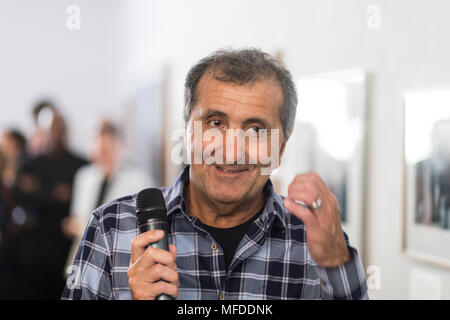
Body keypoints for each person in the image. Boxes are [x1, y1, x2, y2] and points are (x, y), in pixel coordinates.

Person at [62, 48, 368, 300]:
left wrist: (337, 264)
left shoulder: (315, 242)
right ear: (187, 134)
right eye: (216, 122)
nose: (232, 152)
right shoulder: (111, 229)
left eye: (255, 129)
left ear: (280, 149)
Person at [12, 104, 88, 299]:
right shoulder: (30, 164)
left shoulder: (80, 165)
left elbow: (76, 199)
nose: (54, 134)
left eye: (58, 128)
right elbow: (19, 194)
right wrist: (55, 194)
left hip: (66, 251)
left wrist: (39, 190)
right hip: (35, 255)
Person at [61, 119, 154, 274]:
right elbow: (78, 217)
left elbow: (139, 227)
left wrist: (86, 228)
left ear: (119, 146)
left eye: (106, 149)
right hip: (85, 260)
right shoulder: (84, 177)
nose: (101, 153)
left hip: (120, 263)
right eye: (98, 148)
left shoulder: (138, 180)